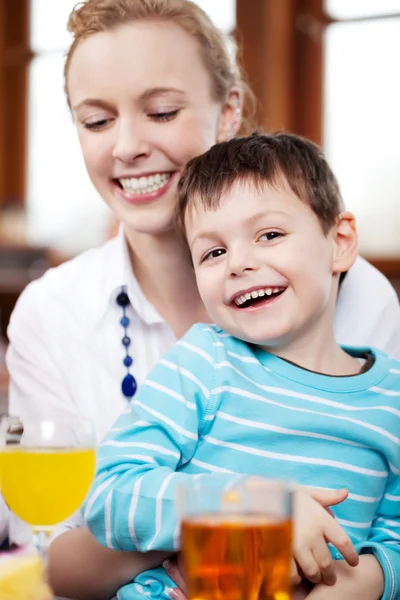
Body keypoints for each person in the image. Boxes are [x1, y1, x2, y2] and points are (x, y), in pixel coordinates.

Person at [3, 0, 399, 596]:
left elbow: (384, 525)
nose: (127, 146)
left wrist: (359, 580)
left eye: (161, 111)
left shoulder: (356, 295)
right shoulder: (54, 311)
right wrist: (247, 519)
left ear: (228, 110)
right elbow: (53, 563)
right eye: (96, 121)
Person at [84, 132, 399, 600]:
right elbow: (110, 498)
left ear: (340, 242)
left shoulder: (391, 400)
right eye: (213, 252)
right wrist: (252, 504)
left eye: (269, 235)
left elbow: (393, 537)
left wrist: (365, 582)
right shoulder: (203, 363)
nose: (239, 264)